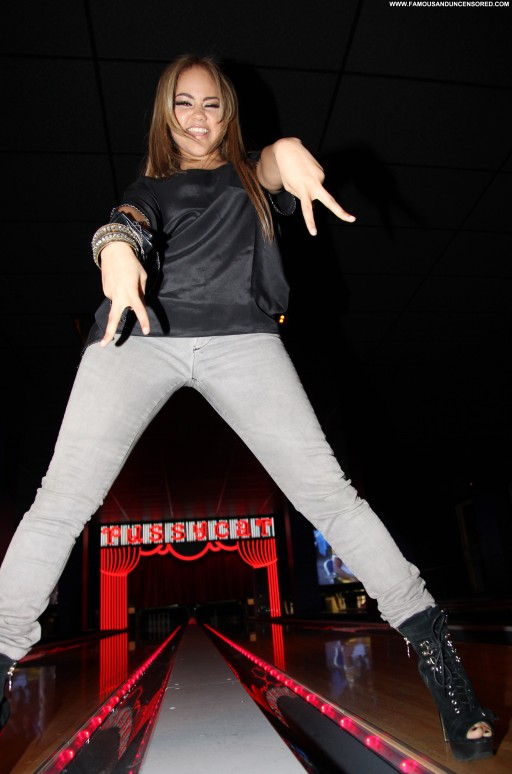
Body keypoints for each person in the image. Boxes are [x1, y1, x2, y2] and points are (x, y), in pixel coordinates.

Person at [0, 54, 494, 761]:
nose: (198, 116)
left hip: (242, 339)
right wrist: (115, 248)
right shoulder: (149, 187)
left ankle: (437, 656)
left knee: (331, 497)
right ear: (165, 114)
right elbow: (129, 218)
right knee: (60, 501)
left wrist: (287, 152)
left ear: (228, 112)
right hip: (139, 334)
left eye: (212, 104)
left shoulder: (247, 174)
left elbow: (270, 165)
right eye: (184, 103)